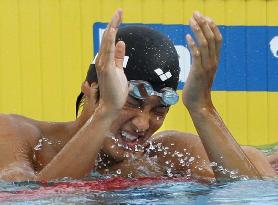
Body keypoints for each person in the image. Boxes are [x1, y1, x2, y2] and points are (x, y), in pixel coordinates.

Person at [0, 9, 276, 182]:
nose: (143, 124)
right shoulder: (20, 136)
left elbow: (249, 187)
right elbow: (31, 199)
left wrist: (201, 107)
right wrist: (106, 111)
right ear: (90, 88)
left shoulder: (165, 154)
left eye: (158, 110)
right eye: (131, 103)